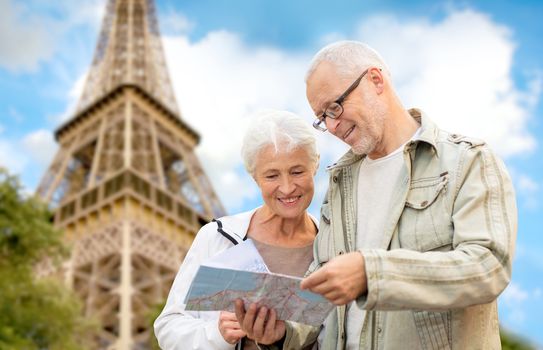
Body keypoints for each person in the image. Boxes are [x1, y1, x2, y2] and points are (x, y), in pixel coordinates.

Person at [244, 41, 518, 349]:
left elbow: (488, 267)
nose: (333, 126)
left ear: (376, 80)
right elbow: (321, 287)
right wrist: (283, 332)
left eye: (335, 107)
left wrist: (371, 273)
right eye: (322, 118)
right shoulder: (339, 183)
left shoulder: (468, 161)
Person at [154, 110, 320, 350]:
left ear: (314, 166)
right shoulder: (216, 237)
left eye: (297, 171)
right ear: (255, 178)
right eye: (272, 175)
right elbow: (168, 327)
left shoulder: (332, 245)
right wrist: (219, 334)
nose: (287, 188)